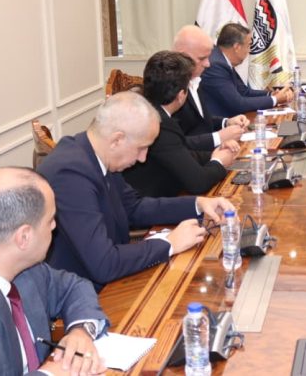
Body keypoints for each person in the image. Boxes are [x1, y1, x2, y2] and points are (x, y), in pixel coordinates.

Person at [37, 92, 234, 290]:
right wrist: (169, 243)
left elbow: (134, 207)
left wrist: (198, 204)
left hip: (112, 276)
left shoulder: (97, 154)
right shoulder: (70, 174)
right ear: (117, 140)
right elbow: (104, 264)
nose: (143, 158)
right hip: (84, 293)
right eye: (141, 148)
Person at [0, 167, 108, 375]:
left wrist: (80, 332)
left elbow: (73, 287)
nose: (55, 225)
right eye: (50, 220)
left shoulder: (16, 262)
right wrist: (50, 374)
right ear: (24, 237)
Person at [123, 51, 238, 197]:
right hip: (151, 202)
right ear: (181, 95)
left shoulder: (146, 110)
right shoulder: (161, 123)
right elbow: (199, 183)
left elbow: (180, 153)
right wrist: (219, 162)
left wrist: (215, 153)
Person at [172, 24, 249, 151]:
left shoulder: (195, 80)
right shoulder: (170, 88)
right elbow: (174, 143)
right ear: (183, 56)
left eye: (208, 57)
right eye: (202, 58)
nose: (208, 64)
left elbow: (201, 121)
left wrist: (227, 122)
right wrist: (218, 137)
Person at [200, 23, 294, 116]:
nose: (249, 51)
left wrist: (271, 94)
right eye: (249, 46)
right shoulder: (217, 65)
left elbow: (244, 92)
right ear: (237, 47)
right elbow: (238, 104)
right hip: (220, 123)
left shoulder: (222, 60)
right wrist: (275, 99)